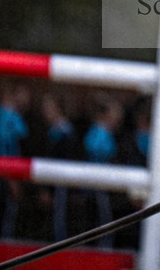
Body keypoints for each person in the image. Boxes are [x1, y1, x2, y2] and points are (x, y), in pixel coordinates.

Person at [83, 95, 124, 248]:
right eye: (116, 113)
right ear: (106, 114)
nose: (119, 118)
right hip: (98, 188)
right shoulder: (98, 134)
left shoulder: (106, 133)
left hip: (103, 187)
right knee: (101, 223)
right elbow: (98, 154)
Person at [0, 82, 31, 239]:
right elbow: (7, 147)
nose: (27, 99)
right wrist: (11, 179)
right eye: (24, 94)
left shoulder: (6, 115)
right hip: (5, 170)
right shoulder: (9, 116)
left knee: (3, 214)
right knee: (4, 214)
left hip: (7, 169)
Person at [40, 92, 76, 241]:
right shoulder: (52, 131)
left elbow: (62, 162)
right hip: (52, 181)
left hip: (61, 185)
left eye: (48, 108)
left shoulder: (65, 133)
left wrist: (51, 189)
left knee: (60, 220)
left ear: (57, 109)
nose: (44, 112)